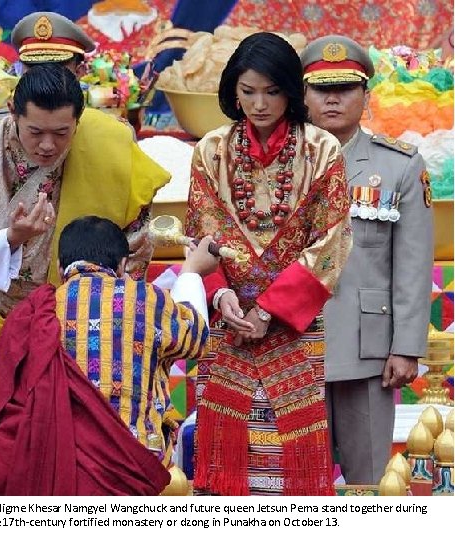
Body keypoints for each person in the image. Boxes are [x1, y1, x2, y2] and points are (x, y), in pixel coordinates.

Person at [0, 18, 171, 458]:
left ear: (79, 119)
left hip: (85, 325)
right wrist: (10, 237)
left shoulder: (109, 144)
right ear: (14, 114)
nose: (47, 146)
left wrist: (109, 309)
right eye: (34, 132)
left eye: (61, 134)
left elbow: (135, 241)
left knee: (78, 452)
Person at [186, 32, 352, 496]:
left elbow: (332, 241)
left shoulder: (321, 149)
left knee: (288, 455)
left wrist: (267, 311)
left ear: (293, 91)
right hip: (228, 322)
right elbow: (203, 235)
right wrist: (221, 297)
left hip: (293, 325)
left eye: (273, 91)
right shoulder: (211, 150)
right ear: (232, 91)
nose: (259, 104)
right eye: (248, 91)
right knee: (227, 452)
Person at [0, 215, 217, 495]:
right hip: (134, 463)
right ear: (123, 265)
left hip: (52, 466)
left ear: (59, 267)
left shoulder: (35, 312)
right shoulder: (149, 299)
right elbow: (197, 339)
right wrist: (191, 271)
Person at [302, 35, 434, 484]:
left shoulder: (399, 165)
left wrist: (406, 346)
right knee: (300, 486)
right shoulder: (281, 163)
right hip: (294, 342)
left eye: (346, 87)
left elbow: (413, 264)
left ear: (366, 95)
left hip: (369, 348)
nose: (333, 97)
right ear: (304, 95)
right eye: (321, 88)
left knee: (370, 482)